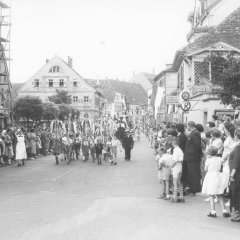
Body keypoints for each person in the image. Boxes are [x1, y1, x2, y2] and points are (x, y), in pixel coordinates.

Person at [202, 146, 231, 218]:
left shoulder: (208, 160)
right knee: (219, 194)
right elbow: (223, 162)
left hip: (211, 176)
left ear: (209, 154)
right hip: (218, 176)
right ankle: (224, 211)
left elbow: (205, 169)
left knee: (211, 194)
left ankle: (213, 211)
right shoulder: (219, 159)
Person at [184, 121, 202, 195]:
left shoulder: (195, 133)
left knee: (194, 172)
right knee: (191, 172)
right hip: (191, 156)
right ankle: (192, 187)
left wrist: (197, 155)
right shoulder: (193, 133)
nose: (187, 128)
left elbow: (197, 145)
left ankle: (195, 188)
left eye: (187, 126)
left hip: (193, 157)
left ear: (190, 126)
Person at [229, 128, 240, 222]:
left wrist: (231, 175)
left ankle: (238, 214)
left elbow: (236, 163)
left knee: (237, 194)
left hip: (237, 174)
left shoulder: (238, 147)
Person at [170, 137, 185, 203]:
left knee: (175, 182)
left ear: (173, 143)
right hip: (180, 166)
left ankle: (175, 197)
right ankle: (181, 196)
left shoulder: (176, 150)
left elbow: (175, 160)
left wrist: (172, 166)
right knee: (179, 182)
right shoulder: (180, 150)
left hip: (176, 167)